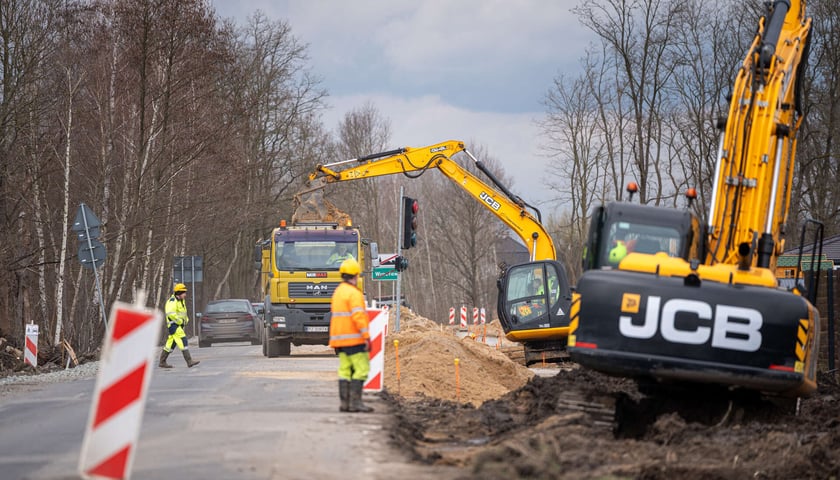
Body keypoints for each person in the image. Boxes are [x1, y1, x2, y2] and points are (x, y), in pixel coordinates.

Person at [328, 258, 373, 413]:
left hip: (339, 341)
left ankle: (345, 403)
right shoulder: (354, 294)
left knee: (345, 370)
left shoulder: (338, 292)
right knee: (361, 369)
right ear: (355, 275)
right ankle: (356, 403)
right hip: (354, 339)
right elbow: (358, 317)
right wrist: (366, 336)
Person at [159, 283, 200, 368]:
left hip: (178, 325)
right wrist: (180, 321)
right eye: (184, 293)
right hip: (174, 326)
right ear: (179, 293)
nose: (185, 294)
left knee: (170, 344)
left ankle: (162, 362)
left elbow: (182, 313)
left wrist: (186, 320)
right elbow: (171, 314)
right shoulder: (172, 301)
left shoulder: (181, 301)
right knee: (183, 340)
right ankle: (189, 361)